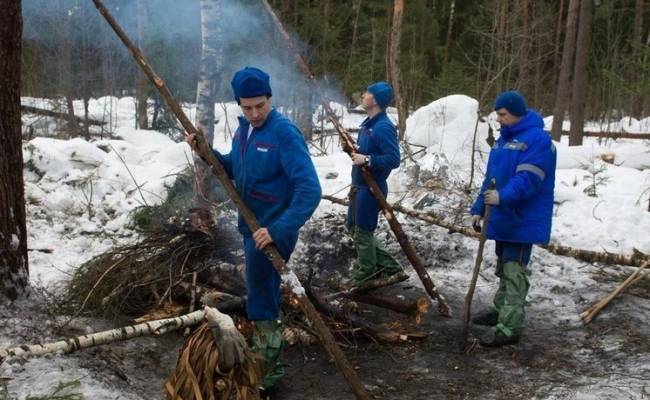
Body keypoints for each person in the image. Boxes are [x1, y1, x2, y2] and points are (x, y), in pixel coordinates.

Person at [187, 67, 322, 393]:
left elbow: (310, 189)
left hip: (273, 232)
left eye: (260, 105)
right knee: (260, 293)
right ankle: (264, 360)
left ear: (270, 99)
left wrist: (276, 229)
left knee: (261, 298)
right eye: (246, 107)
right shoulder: (244, 131)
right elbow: (235, 168)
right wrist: (207, 153)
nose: (254, 113)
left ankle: (267, 372)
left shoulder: (284, 134)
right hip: (253, 227)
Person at [469, 90, 556, 347]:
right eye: (497, 114)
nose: (499, 119)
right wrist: (478, 207)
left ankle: (509, 326)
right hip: (503, 216)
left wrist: (501, 197)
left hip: (522, 218)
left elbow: (528, 180)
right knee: (503, 267)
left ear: (517, 113)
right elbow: (490, 180)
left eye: (503, 114)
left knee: (514, 270)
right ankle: (500, 309)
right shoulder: (503, 140)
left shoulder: (537, 141)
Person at [346, 81, 403, 285]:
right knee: (353, 228)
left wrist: (368, 159)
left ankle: (366, 272)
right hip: (358, 186)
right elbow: (365, 151)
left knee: (363, 231)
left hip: (372, 189)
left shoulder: (383, 127)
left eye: (367, 93)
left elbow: (394, 159)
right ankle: (389, 266)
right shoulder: (368, 124)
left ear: (376, 100)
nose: (363, 95)